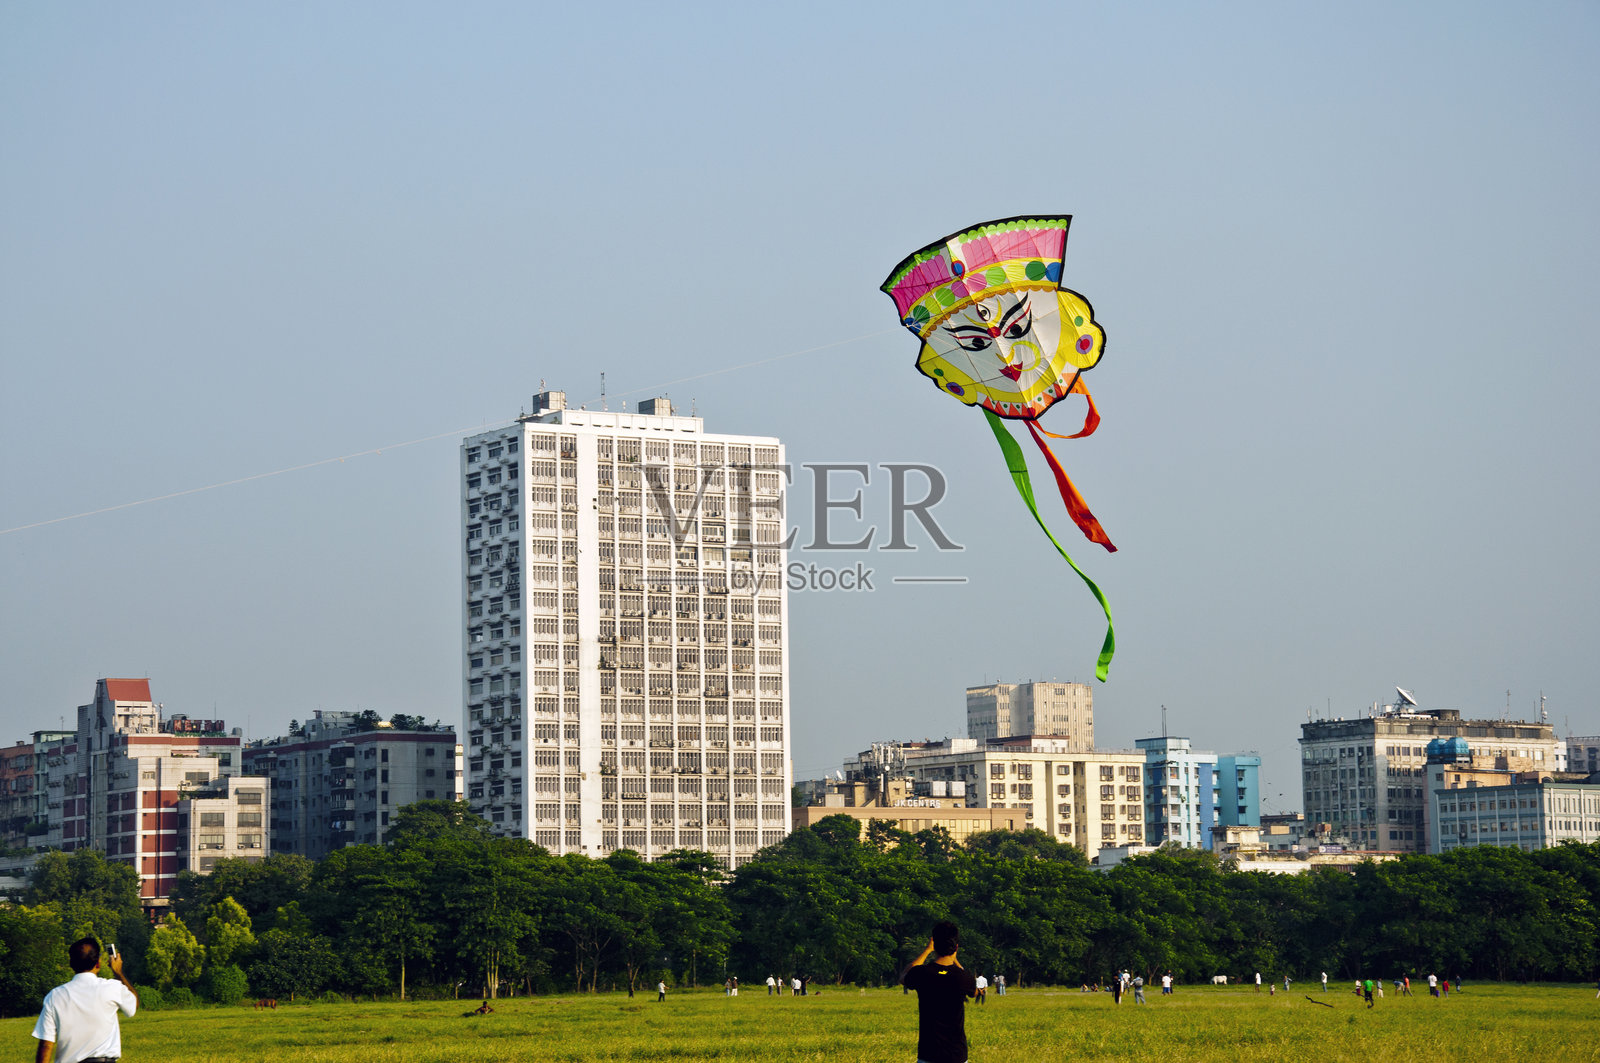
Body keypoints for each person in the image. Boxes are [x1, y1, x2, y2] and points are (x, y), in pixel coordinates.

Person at [32, 937, 139, 1063]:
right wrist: (118, 972)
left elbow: (46, 1045)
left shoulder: (55, 996)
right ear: (98, 963)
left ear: (71, 964)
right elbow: (133, 1006)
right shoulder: (111, 988)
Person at [899, 921, 978, 1063]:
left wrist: (926, 951)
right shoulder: (963, 977)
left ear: (934, 944)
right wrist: (955, 958)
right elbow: (975, 992)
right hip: (956, 1054)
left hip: (929, 1052)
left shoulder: (922, 973)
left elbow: (904, 976)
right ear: (956, 947)